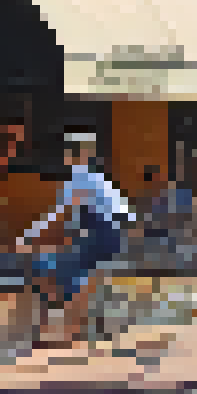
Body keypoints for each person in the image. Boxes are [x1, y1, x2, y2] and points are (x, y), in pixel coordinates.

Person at [14, 134, 136, 349]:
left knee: (69, 271)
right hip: (112, 236)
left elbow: (61, 215)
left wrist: (30, 237)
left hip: (107, 236)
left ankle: (70, 332)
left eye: (71, 152)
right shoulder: (94, 178)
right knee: (66, 267)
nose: (67, 156)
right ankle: (76, 327)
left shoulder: (81, 178)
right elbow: (65, 218)